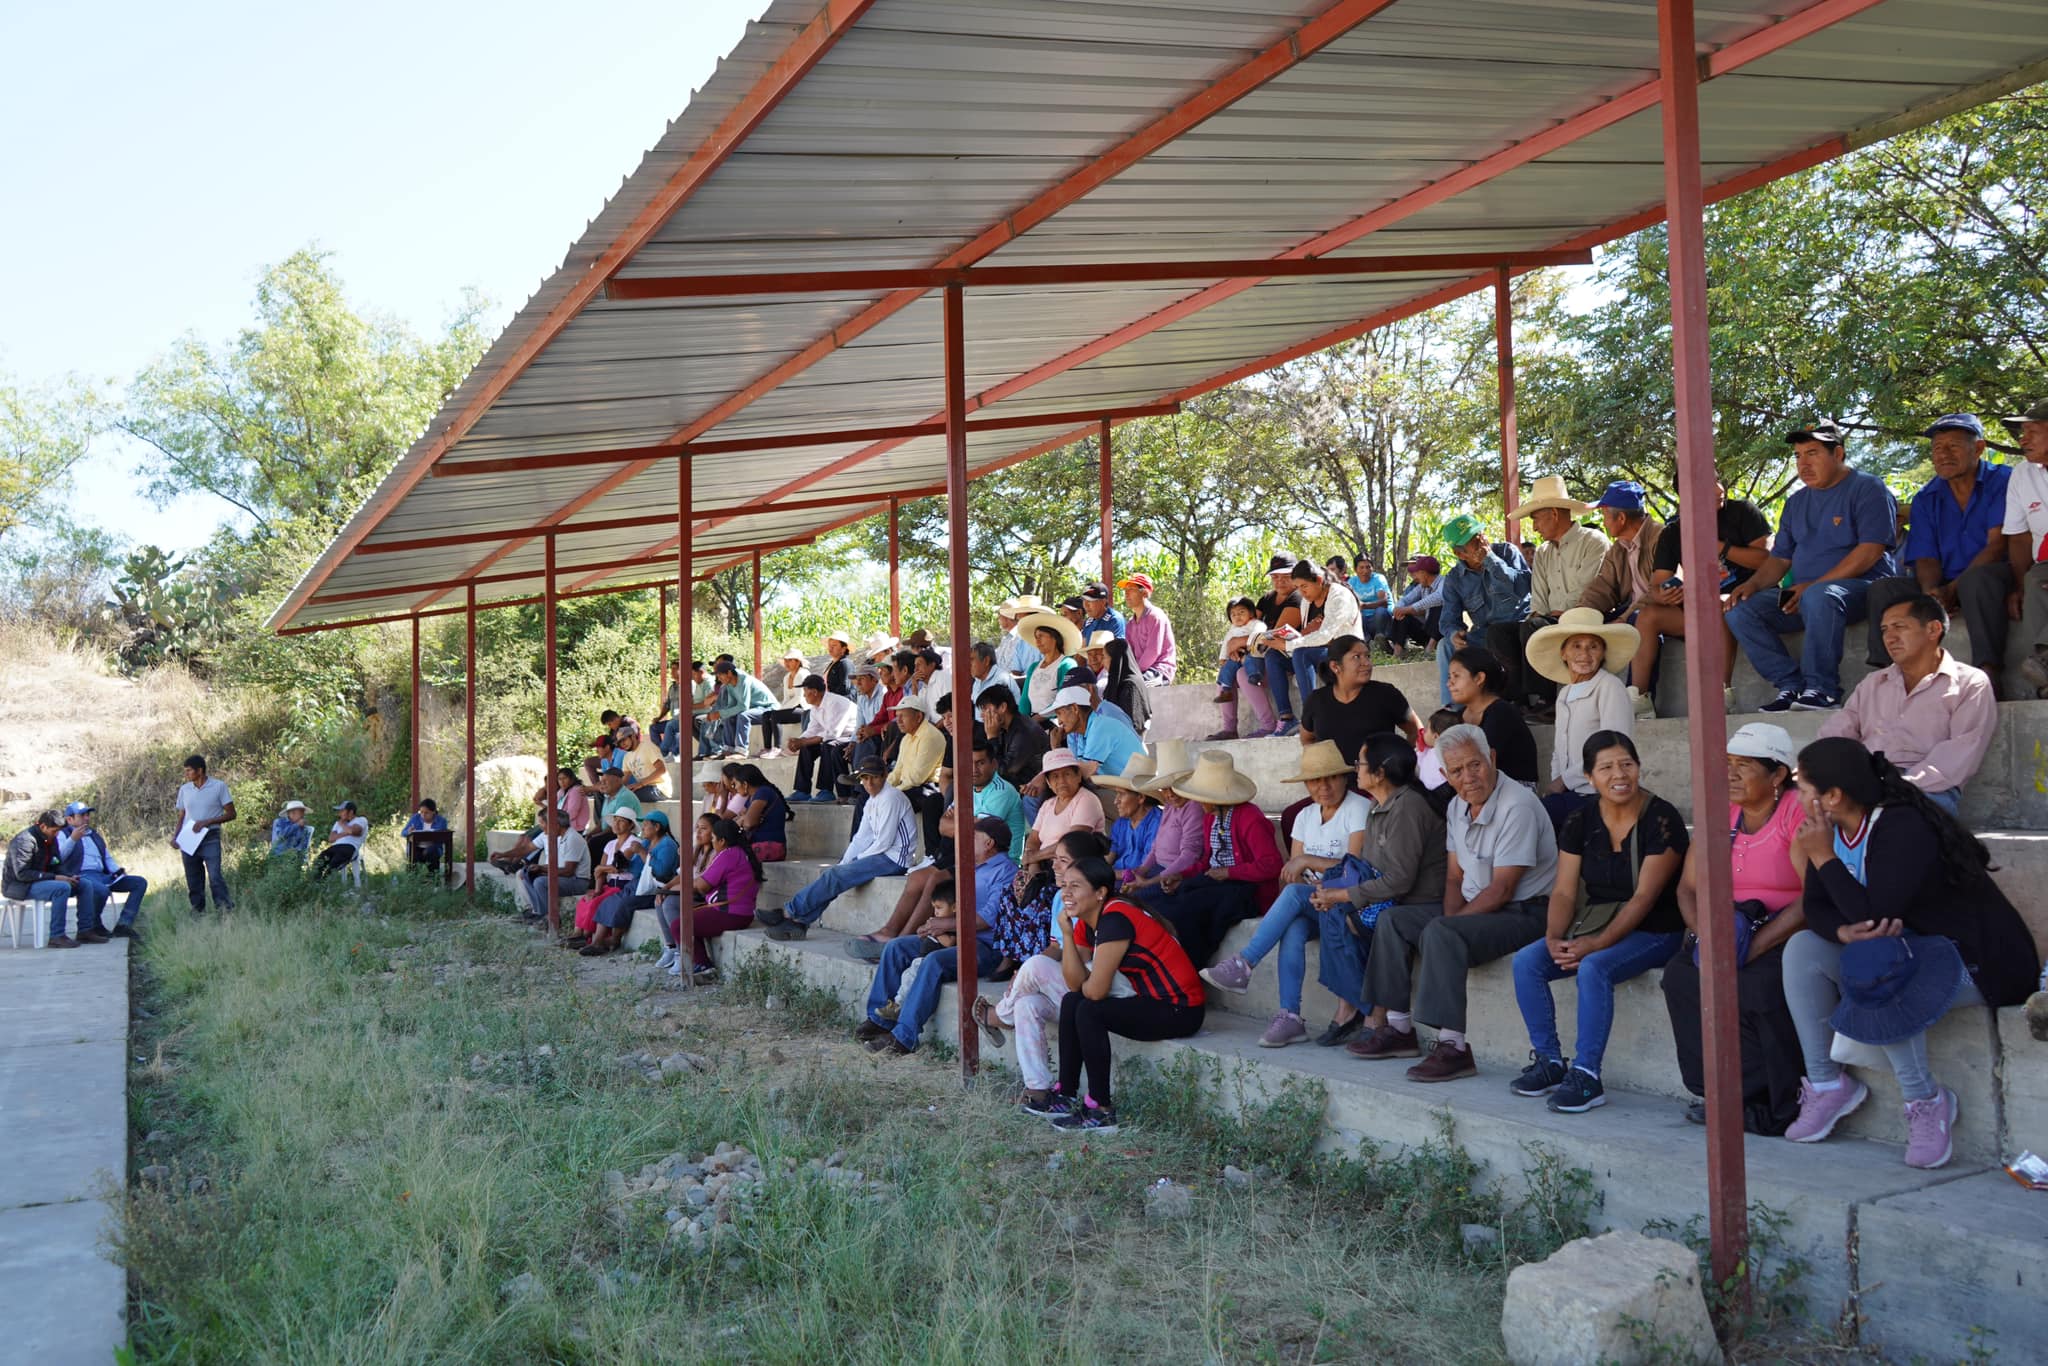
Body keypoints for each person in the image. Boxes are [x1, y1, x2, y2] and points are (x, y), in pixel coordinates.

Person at [1779, 736, 2039, 1168]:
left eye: (1803, 788)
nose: (1797, 797)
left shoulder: (1899, 826)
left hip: (1979, 962)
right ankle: (1827, 1086)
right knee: (1804, 947)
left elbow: (1877, 912)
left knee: (1882, 966)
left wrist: (1823, 857)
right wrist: (1843, 932)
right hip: (1905, 951)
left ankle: (1926, 1100)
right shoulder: (1834, 830)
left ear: (1833, 796)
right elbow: (1817, 908)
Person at [1352, 724, 1559, 1082]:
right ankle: (1398, 1028)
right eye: (1457, 771)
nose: (1468, 778)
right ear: (1446, 775)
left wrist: (1449, 927)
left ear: (1491, 758)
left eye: (1475, 765)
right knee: (1394, 921)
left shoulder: (1517, 805)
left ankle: (1454, 1048)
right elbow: (1453, 877)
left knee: (1442, 932)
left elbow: (1504, 888)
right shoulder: (1456, 807)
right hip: (1478, 905)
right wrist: (1450, 921)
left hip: (1526, 911)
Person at [1508, 732, 1688, 1113]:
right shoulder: (1580, 818)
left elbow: (1645, 898)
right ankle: (1550, 1062)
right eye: (1605, 767)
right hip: (1596, 922)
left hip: (1657, 929)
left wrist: (1597, 944)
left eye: (1626, 764)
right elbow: (1564, 893)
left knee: (1593, 968)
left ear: (1638, 766)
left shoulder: (1661, 817)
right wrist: (1555, 937)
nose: (1619, 774)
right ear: (1589, 777)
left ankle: (1588, 1074)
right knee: (1527, 962)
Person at [1661, 722, 1808, 1134]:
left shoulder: (1796, 812)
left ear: (1778, 774)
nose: (1730, 774)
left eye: (1744, 766)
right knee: (1681, 978)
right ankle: (1715, 1091)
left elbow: (1812, 898)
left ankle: (1772, 1102)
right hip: (1727, 928)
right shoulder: (1718, 812)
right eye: (1727, 764)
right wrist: (1709, 942)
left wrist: (1753, 947)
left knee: (1756, 987)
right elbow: (1688, 890)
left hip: (1785, 932)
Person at [1199, 741, 1371, 1047]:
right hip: (1318, 904)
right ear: (1306, 784)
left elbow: (1353, 871)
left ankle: (1244, 964)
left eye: (1331, 777)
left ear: (1344, 778)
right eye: (1316, 780)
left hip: (1350, 902)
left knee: (1293, 894)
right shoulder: (1305, 816)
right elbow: (1293, 871)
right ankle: (1290, 1017)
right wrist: (1307, 869)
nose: (1324, 786)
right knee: (1293, 924)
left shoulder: (1358, 808)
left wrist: (1308, 862)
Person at [1726, 422, 1900, 712]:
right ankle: (1791, 687)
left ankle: (1823, 690)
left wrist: (1813, 586)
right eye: (1797, 456)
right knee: (1740, 610)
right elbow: (1780, 559)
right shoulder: (1795, 502)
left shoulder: (1868, 488)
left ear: (1839, 454)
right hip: (1805, 596)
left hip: (1861, 591)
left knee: (1821, 595)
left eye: (1812, 453)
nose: (1803, 463)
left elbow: (1870, 552)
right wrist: (1752, 585)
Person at [1036, 855, 1206, 1134]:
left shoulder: (1115, 918)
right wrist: (1066, 936)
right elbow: (1074, 984)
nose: (1066, 892)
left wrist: (1085, 984)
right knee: (1072, 1002)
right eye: (1064, 885)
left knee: (1089, 1009)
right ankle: (1065, 1095)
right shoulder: (1086, 921)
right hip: (1151, 1000)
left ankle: (1101, 1109)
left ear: (1100, 892)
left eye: (1075, 886)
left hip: (1182, 1008)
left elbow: (1094, 990)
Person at [1312, 733, 1451, 1049]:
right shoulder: (1379, 808)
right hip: (1392, 898)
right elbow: (1370, 869)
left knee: (1346, 914)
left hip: (1419, 903)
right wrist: (1330, 890)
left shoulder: (1409, 807)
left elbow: (1399, 880)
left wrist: (1343, 896)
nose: (1356, 769)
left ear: (1380, 771)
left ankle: (1372, 1013)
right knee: (1329, 909)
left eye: (1361, 763)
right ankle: (1358, 1006)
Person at [1863, 415, 2013, 684]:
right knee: (1883, 589)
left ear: (1978, 448)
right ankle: (1886, 675)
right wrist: (1931, 594)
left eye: (1953, 446)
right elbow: (1925, 555)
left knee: (1977, 581)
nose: (1943, 454)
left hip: (1994, 577)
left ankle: (1989, 673)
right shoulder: (1926, 497)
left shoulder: (2003, 481)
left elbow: (1997, 544)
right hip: (1946, 582)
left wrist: (1952, 589)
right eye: (1937, 448)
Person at [855, 816, 1020, 1055]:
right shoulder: (971, 866)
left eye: (973, 836)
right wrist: (937, 926)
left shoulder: (1006, 872)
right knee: (896, 948)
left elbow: (986, 920)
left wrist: (944, 923)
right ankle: (881, 1020)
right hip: (955, 936)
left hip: (985, 948)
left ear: (989, 843)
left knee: (933, 961)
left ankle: (904, 1037)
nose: (966, 840)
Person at [1817, 594, 1994, 815]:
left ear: (1933, 629)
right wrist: (1815, 768)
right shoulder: (1873, 683)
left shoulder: (1970, 682)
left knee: (1901, 820)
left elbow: (1958, 755)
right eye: (1884, 630)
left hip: (1928, 790)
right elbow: (1837, 734)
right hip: (1867, 781)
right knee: (1803, 808)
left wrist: (1897, 785)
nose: (1889, 638)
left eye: (1899, 627)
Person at [1629, 480, 1772, 714]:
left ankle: (1722, 694)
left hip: (1750, 598)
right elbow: (1656, 584)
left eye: (1717, 480)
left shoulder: (1742, 512)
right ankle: (1640, 699)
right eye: (1708, 483)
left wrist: (1719, 547)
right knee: (1647, 616)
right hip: (1701, 608)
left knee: (1718, 604)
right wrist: (1665, 594)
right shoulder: (1674, 531)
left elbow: (1767, 559)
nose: (1718, 489)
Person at [1137, 751, 1283, 968]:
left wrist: (1228, 873)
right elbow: (1207, 861)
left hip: (1247, 890)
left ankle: (1187, 968)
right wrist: (1181, 876)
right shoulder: (1210, 818)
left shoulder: (1250, 817)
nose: (1196, 800)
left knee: (1185, 910)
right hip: (1217, 882)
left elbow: (1271, 865)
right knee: (1157, 903)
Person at [757, 756, 918, 942]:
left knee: (834, 876)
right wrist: (844, 863)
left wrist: (853, 863)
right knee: (835, 874)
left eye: (874, 777)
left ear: (885, 776)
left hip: (895, 858)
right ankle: (799, 923)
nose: (869, 783)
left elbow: (884, 842)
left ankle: (788, 912)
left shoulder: (891, 797)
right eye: (865, 778)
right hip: (882, 854)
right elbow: (861, 838)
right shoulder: (872, 800)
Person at [1488, 475, 1608, 712]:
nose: (1533, 527)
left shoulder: (1593, 541)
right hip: (1550, 618)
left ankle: (1546, 700)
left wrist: (1554, 615)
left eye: (1535, 519)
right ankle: (1515, 699)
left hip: (1585, 617)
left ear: (1554, 513)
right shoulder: (1542, 552)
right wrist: (1540, 615)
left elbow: (1588, 588)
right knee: (1498, 632)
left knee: (1535, 627)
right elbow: (1539, 593)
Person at [1523, 609, 1637, 826]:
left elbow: (1614, 747)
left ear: (1602, 653)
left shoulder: (1609, 686)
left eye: (1593, 646)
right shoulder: (1565, 693)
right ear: (1563, 653)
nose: (1584, 654)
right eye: (1576, 646)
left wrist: (1563, 781)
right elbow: (1559, 749)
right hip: (1569, 792)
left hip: (1599, 793)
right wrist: (1557, 784)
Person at [1433, 515, 1531, 706]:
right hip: (1484, 634)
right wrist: (1454, 634)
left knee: (1502, 636)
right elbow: (1447, 619)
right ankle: (1453, 711)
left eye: (1480, 535)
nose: (1482, 542)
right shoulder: (1455, 578)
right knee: (1445, 645)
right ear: (1460, 554)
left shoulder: (1506, 552)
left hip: (1517, 628)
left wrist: (1491, 561)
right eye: (1474, 542)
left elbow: (1522, 588)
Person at [1299, 633, 1420, 764]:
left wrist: (1400, 765)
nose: (1366, 663)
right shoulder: (1317, 701)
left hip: (1380, 782)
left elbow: (1416, 731)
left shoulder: (1386, 694)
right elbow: (1307, 739)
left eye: (1367, 656)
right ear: (1335, 666)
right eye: (1357, 657)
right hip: (1339, 783)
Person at [1273, 559, 1363, 729]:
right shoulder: (1307, 601)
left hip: (1347, 652)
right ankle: (1285, 717)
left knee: (1301, 653)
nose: (1301, 592)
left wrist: (1287, 645)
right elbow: (1310, 634)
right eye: (1298, 587)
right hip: (1322, 652)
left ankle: (1312, 715)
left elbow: (1326, 635)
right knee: (1273, 657)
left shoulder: (1339, 595)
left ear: (1319, 581)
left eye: (1304, 586)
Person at [670, 817, 761, 982]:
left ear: (722, 840)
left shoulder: (727, 854)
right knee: (690, 919)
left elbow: (703, 885)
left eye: (713, 839)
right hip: (740, 914)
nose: (712, 843)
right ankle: (701, 964)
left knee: (679, 925)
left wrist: (691, 884)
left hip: (729, 913)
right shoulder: (741, 852)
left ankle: (704, 966)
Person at [1999, 400, 2048, 695]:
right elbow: (2018, 537)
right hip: (2044, 566)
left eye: (2032, 430)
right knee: (2034, 582)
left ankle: (2044, 668)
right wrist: (2019, 587)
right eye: (2021, 432)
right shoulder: (2022, 474)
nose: (2022, 439)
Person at [1445, 646, 1539, 788]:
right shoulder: (1459, 715)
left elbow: (1479, 763)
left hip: (1513, 791)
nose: (1449, 683)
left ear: (1479, 678)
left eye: (1456, 676)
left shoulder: (1502, 713)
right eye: (1449, 677)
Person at [1574, 480, 1665, 624]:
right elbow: (1603, 586)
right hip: (1630, 612)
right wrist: (1580, 613)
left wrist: (1623, 619)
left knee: (1634, 619)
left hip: (1655, 614)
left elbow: (1658, 591)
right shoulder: (1619, 548)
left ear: (1621, 518)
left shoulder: (1661, 538)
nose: (1604, 523)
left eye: (1605, 516)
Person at [5, 810, 92, 947]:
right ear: (43, 827)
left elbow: (57, 863)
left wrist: (68, 876)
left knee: (84, 884)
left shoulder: (50, 839)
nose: (57, 834)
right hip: (20, 886)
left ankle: (85, 931)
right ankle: (57, 936)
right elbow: (22, 874)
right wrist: (56, 877)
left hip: (42, 881)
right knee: (61, 888)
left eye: (58, 831)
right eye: (54, 831)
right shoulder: (24, 841)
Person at [1244, 553, 1308, 734]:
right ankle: (1263, 725)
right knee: (1237, 669)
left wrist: (1240, 641)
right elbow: (1248, 625)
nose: (1279, 581)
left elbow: (1276, 634)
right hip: (1262, 653)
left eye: (1285, 576)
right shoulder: (1266, 598)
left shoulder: (1298, 597)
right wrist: (1236, 645)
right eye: (1275, 576)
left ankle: (1286, 717)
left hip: (1292, 654)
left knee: (1272, 656)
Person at [566, 811, 644, 954]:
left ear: (631, 825)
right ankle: (578, 934)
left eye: (621, 821)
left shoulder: (634, 843)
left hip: (624, 885)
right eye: (615, 820)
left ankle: (587, 936)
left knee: (598, 903)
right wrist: (597, 889)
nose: (616, 824)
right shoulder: (610, 844)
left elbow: (617, 866)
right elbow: (601, 871)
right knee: (586, 900)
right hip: (610, 883)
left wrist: (602, 869)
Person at [1021, 748, 1106, 871]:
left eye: (1067, 774)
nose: (1061, 781)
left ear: (1078, 776)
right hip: (1046, 867)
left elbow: (1072, 843)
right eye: (1055, 777)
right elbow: (1034, 840)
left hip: (1077, 869)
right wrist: (1034, 867)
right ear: (1049, 783)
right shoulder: (1048, 804)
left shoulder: (1087, 799)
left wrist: (1033, 857)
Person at [172, 753, 235, 913]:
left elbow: (231, 814)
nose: (186, 774)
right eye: (185, 771)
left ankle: (224, 909)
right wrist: (176, 837)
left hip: (210, 836)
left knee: (214, 875)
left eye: (189, 771)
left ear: (200, 770)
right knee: (193, 877)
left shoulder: (218, 786)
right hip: (189, 837)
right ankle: (197, 910)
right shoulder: (185, 789)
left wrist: (207, 822)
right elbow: (182, 816)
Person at [518, 804, 591, 930]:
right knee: (527, 874)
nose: (545, 829)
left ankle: (549, 917)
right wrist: (540, 868)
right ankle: (538, 913)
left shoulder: (573, 838)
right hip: (566, 878)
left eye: (547, 825)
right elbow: (557, 866)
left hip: (577, 881)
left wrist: (542, 869)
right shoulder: (561, 837)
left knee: (541, 882)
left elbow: (568, 871)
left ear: (557, 826)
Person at [788, 674, 859, 803]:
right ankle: (802, 791)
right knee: (806, 747)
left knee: (828, 745)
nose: (804, 695)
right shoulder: (815, 707)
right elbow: (812, 729)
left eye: (805, 692)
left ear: (814, 692)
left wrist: (803, 741)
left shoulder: (835, 702)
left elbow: (833, 733)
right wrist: (797, 741)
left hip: (850, 737)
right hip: (835, 737)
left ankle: (826, 791)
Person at [1052, 685, 1143, 782]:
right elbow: (1075, 769)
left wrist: (1056, 747)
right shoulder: (1082, 732)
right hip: (1123, 786)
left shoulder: (1100, 726)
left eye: (1059, 714)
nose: (1059, 722)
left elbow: (1083, 774)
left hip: (1137, 788)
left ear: (1075, 708)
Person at [1096, 754, 1162, 887]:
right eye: (1116, 794)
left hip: (1140, 884)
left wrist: (1106, 873)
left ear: (1141, 798)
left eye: (1122, 794)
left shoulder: (1158, 823)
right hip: (1117, 878)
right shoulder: (1121, 823)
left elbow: (1144, 870)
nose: (1116, 801)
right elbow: (1110, 857)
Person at [1210, 595, 1267, 740]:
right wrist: (1223, 657)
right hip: (1235, 656)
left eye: (1241, 612)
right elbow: (1226, 644)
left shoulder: (1256, 624)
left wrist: (1242, 643)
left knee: (1247, 665)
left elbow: (1259, 636)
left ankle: (1255, 676)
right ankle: (1226, 690)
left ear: (1252, 613)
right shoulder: (1232, 630)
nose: (1237, 617)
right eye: (1233, 614)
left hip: (1254, 654)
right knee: (1226, 671)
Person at [979, 686, 1050, 800]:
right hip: (1016, 785)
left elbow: (1002, 772)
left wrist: (992, 738)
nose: (982, 715)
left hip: (1031, 789)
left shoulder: (1024, 732)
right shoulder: (1004, 727)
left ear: (1002, 707)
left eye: (985, 709)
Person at [1016, 611, 1082, 720]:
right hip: (1032, 721)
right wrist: (1023, 721)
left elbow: (1064, 699)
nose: (1037, 641)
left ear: (1054, 638)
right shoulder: (1033, 667)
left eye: (1041, 636)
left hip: (1057, 721)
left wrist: (1039, 718)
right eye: (1036, 637)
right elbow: (1025, 700)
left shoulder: (1066, 665)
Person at [709, 661, 778, 756]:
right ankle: (728, 749)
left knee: (744, 715)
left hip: (768, 709)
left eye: (720, 675)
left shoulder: (744, 680)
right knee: (728, 717)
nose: (719, 678)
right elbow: (731, 706)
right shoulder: (728, 685)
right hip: (753, 709)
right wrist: (721, 714)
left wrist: (720, 713)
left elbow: (743, 706)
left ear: (729, 673)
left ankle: (741, 751)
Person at [1118, 573, 1177, 685]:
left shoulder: (1155, 616)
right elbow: (1129, 654)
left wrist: (1134, 674)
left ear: (1144, 593)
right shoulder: (1130, 624)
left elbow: (1153, 651)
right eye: (1125, 589)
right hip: (1140, 671)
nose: (1126, 593)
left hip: (1159, 670)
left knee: (1137, 686)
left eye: (1131, 589)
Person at [728, 763, 792, 861]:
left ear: (745, 784)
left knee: (729, 856)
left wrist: (744, 818)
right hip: (758, 845)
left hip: (772, 847)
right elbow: (736, 822)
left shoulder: (763, 792)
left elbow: (748, 823)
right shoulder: (751, 797)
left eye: (735, 784)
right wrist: (743, 818)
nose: (734, 788)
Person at [758, 650, 813, 756]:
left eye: (790, 660)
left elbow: (798, 698)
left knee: (775, 715)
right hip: (792, 708)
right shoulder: (787, 677)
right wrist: (781, 708)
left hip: (804, 709)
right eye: (785, 660)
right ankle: (767, 747)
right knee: (766, 715)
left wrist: (781, 710)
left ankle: (777, 747)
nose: (787, 663)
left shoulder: (802, 674)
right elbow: (786, 698)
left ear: (797, 662)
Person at [1388, 554, 1443, 657]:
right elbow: (1406, 599)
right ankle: (1397, 651)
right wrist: (1398, 609)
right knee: (1403, 615)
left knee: (1438, 607)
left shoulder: (1444, 582)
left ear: (1424, 573)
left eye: (1416, 573)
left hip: (1443, 632)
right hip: (1427, 629)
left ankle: (1430, 649)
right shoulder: (1422, 586)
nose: (1414, 576)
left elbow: (1437, 598)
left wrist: (1409, 609)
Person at [1348, 553, 1395, 651]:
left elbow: (1384, 602)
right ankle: (1366, 641)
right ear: (1355, 569)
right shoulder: (1352, 582)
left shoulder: (1378, 579)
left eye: (1368, 567)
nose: (1365, 571)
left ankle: (1381, 638)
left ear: (1372, 568)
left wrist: (1364, 605)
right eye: (1361, 567)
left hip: (1380, 619)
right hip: (1363, 619)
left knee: (1380, 611)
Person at [615, 719, 668, 801]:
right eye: (619, 743)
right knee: (610, 794)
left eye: (624, 740)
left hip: (659, 789)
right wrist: (612, 789)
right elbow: (624, 780)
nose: (622, 744)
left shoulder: (648, 747)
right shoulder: (627, 757)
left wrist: (640, 784)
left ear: (632, 736)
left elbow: (661, 770)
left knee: (626, 796)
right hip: (644, 788)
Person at [313, 801, 368, 880]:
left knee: (334, 864)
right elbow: (331, 838)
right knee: (320, 860)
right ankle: (315, 883)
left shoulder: (360, 820)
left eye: (342, 811)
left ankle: (326, 883)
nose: (340, 813)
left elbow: (355, 831)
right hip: (336, 846)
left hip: (350, 847)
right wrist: (347, 832)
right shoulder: (337, 823)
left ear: (351, 812)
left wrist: (342, 825)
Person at [401, 798, 451, 875]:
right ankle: (414, 880)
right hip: (417, 848)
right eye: (421, 812)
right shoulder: (415, 818)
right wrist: (409, 831)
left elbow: (442, 837)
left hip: (433, 848)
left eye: (426, 813)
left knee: (431, 851)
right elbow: (403, 833)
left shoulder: (441, 821)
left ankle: (434, 878)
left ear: (433, 812)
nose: (423, 815)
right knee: (413, 854)